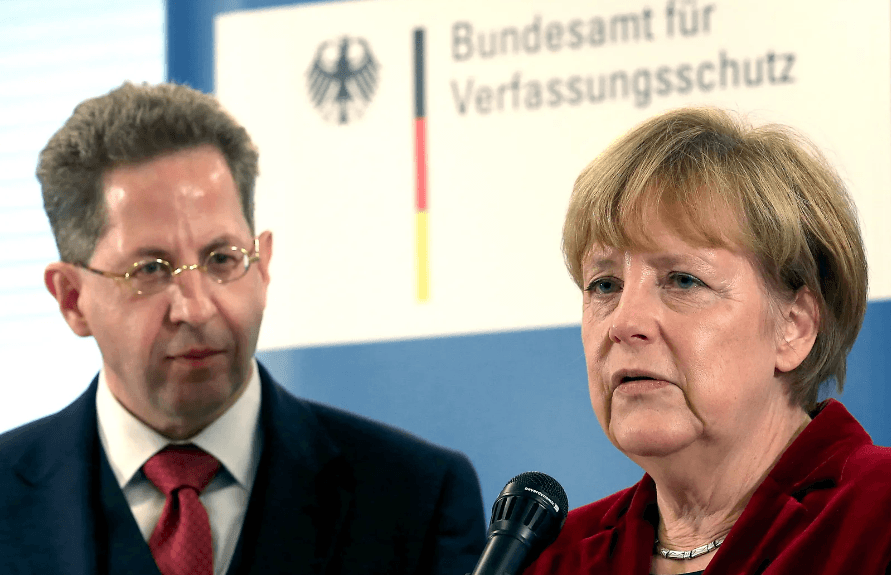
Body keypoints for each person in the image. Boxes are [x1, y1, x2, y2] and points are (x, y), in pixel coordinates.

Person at [0, 82, 486, 575]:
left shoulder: (416, 498)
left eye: (221, 259)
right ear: (72, 299)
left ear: (264, 264)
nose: (196, 308)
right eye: (149, 269)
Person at [524, 108, 891, 575]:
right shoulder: (557, 559)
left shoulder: (877, 519)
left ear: (794, 326)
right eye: (604, 285)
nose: (624, 322)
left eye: (682, 280)